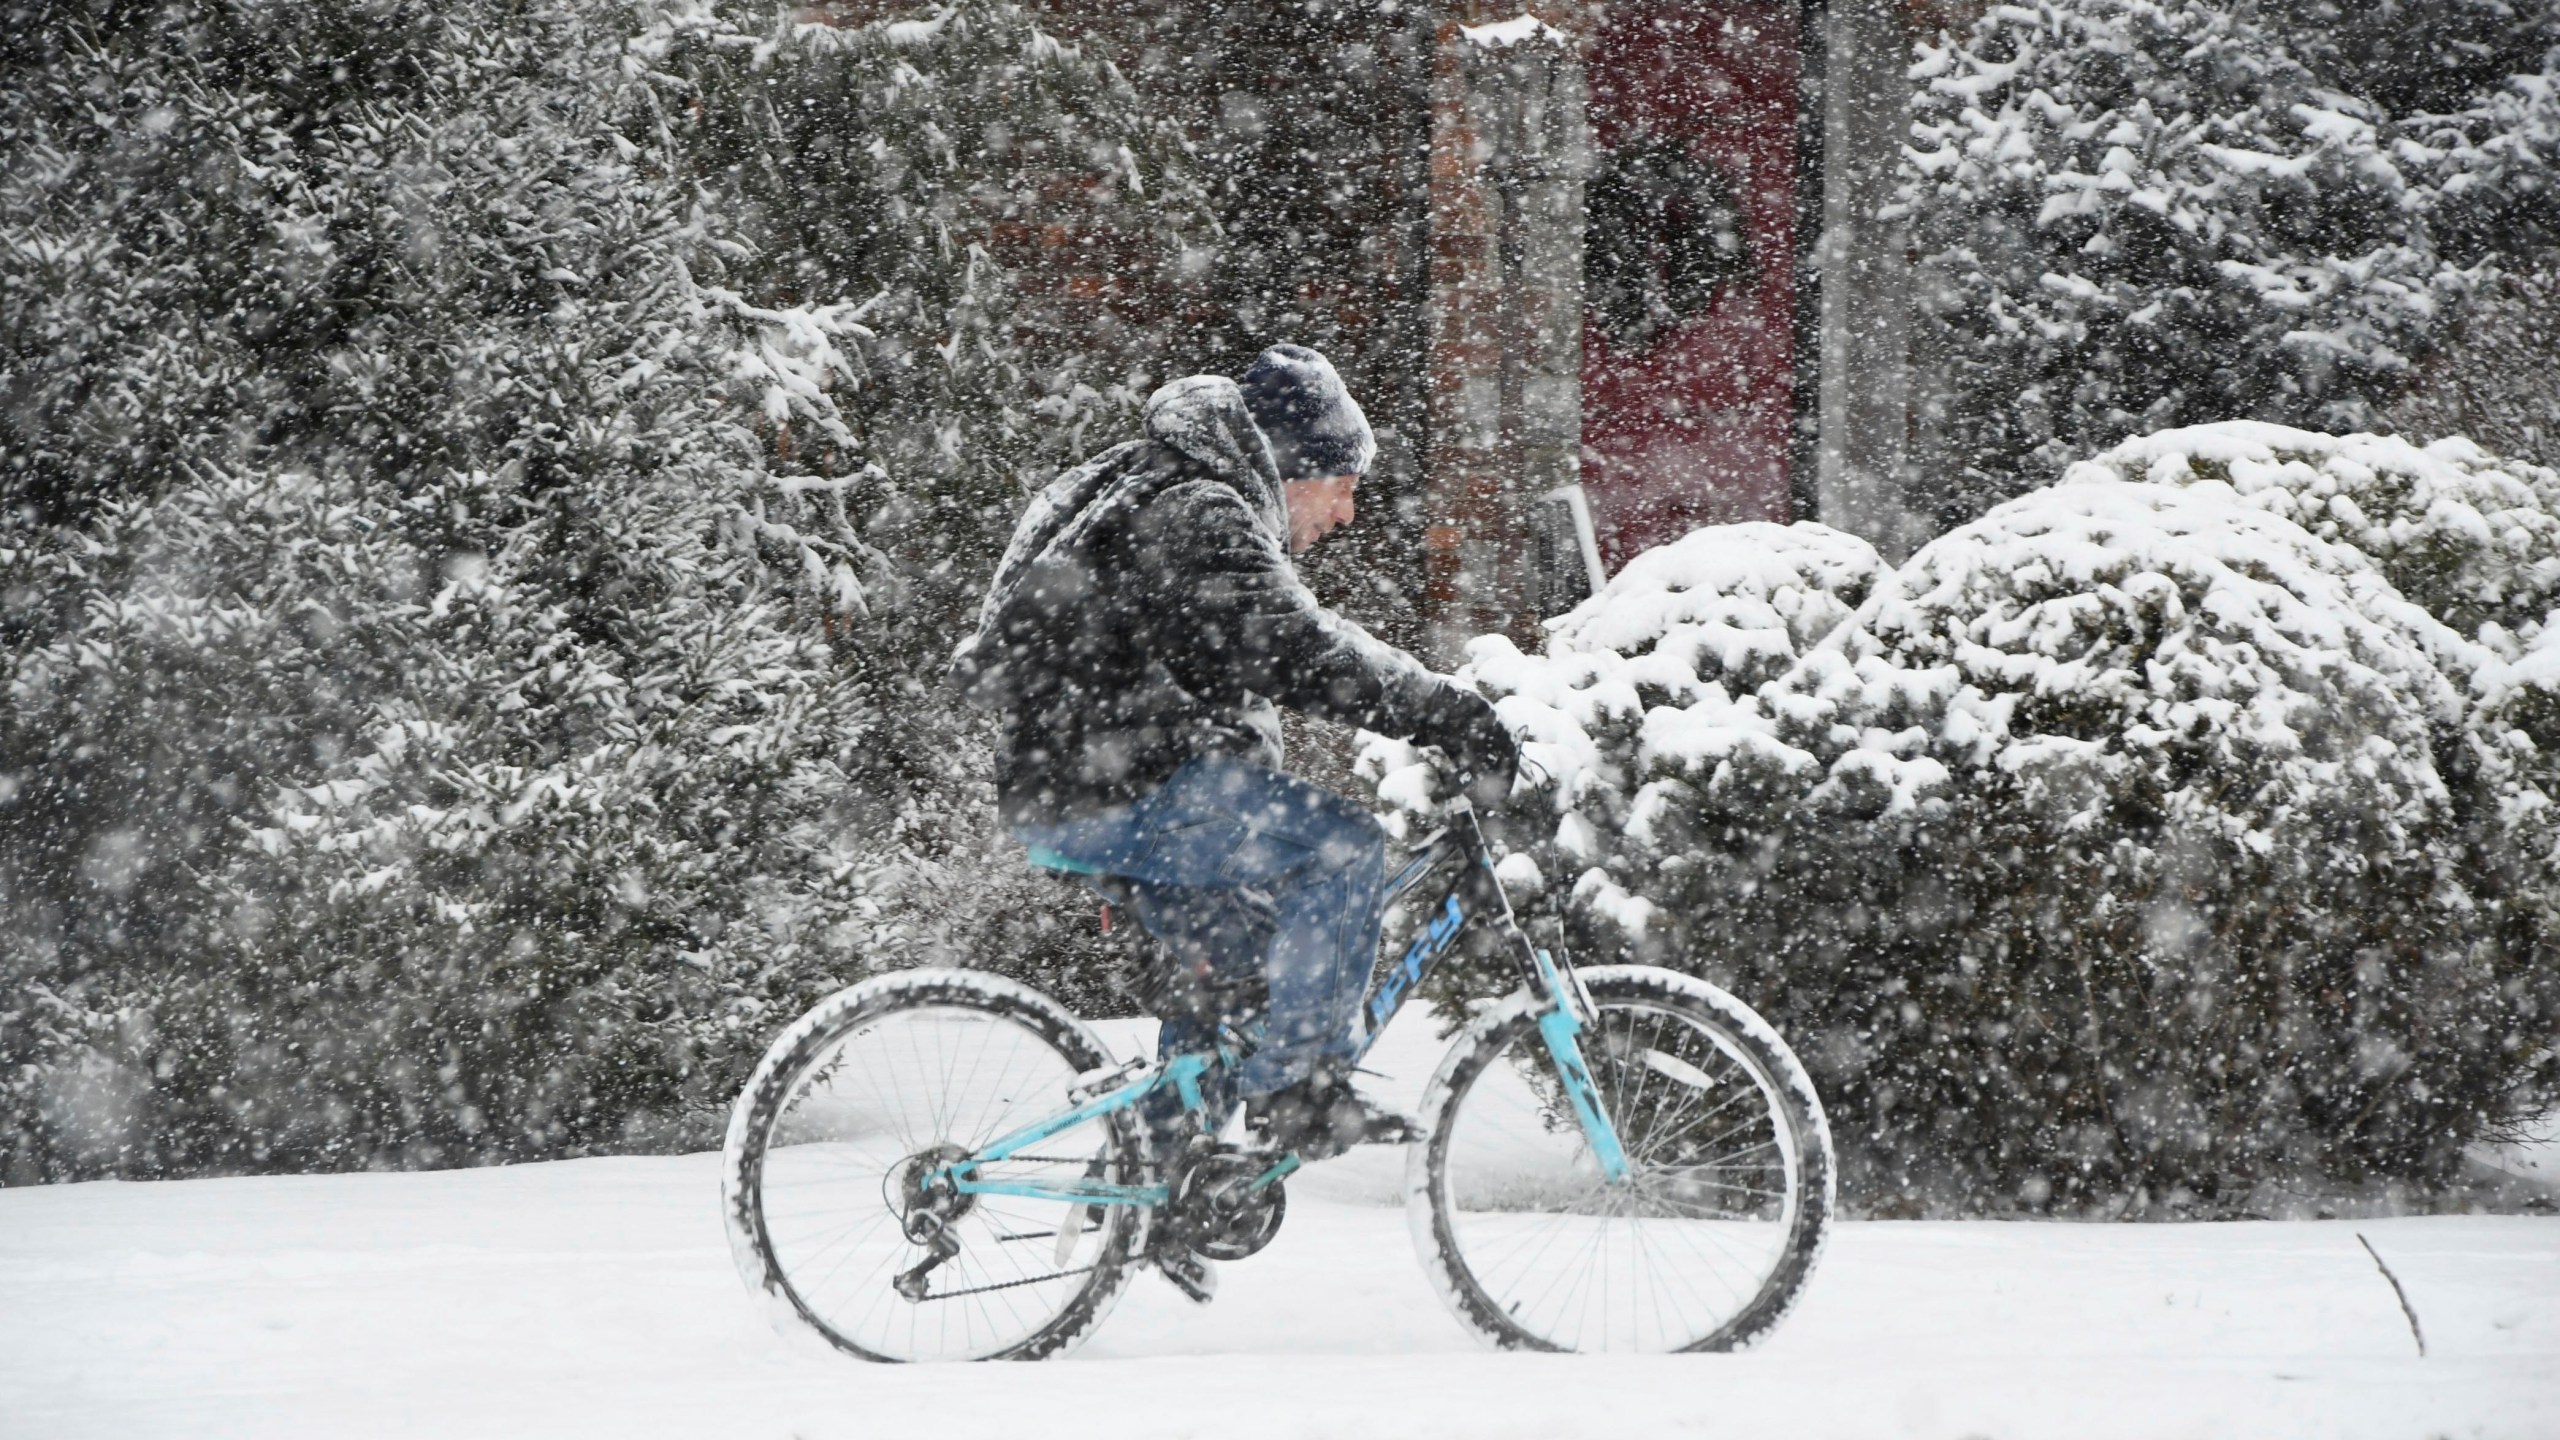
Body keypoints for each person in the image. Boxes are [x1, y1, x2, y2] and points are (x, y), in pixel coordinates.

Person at [950, 343, 1517, 1214]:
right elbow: (1298, 649)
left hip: (1087, 784)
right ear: (1296, 468)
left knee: (1234, 975)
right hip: (1117, 787)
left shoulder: (1179, 494)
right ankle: (1301, 1093)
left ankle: (1166, 1193)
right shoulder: (1202, 509)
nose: (1349, 513)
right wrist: (1442, 711)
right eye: (1345, 484)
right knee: (1342, 850)